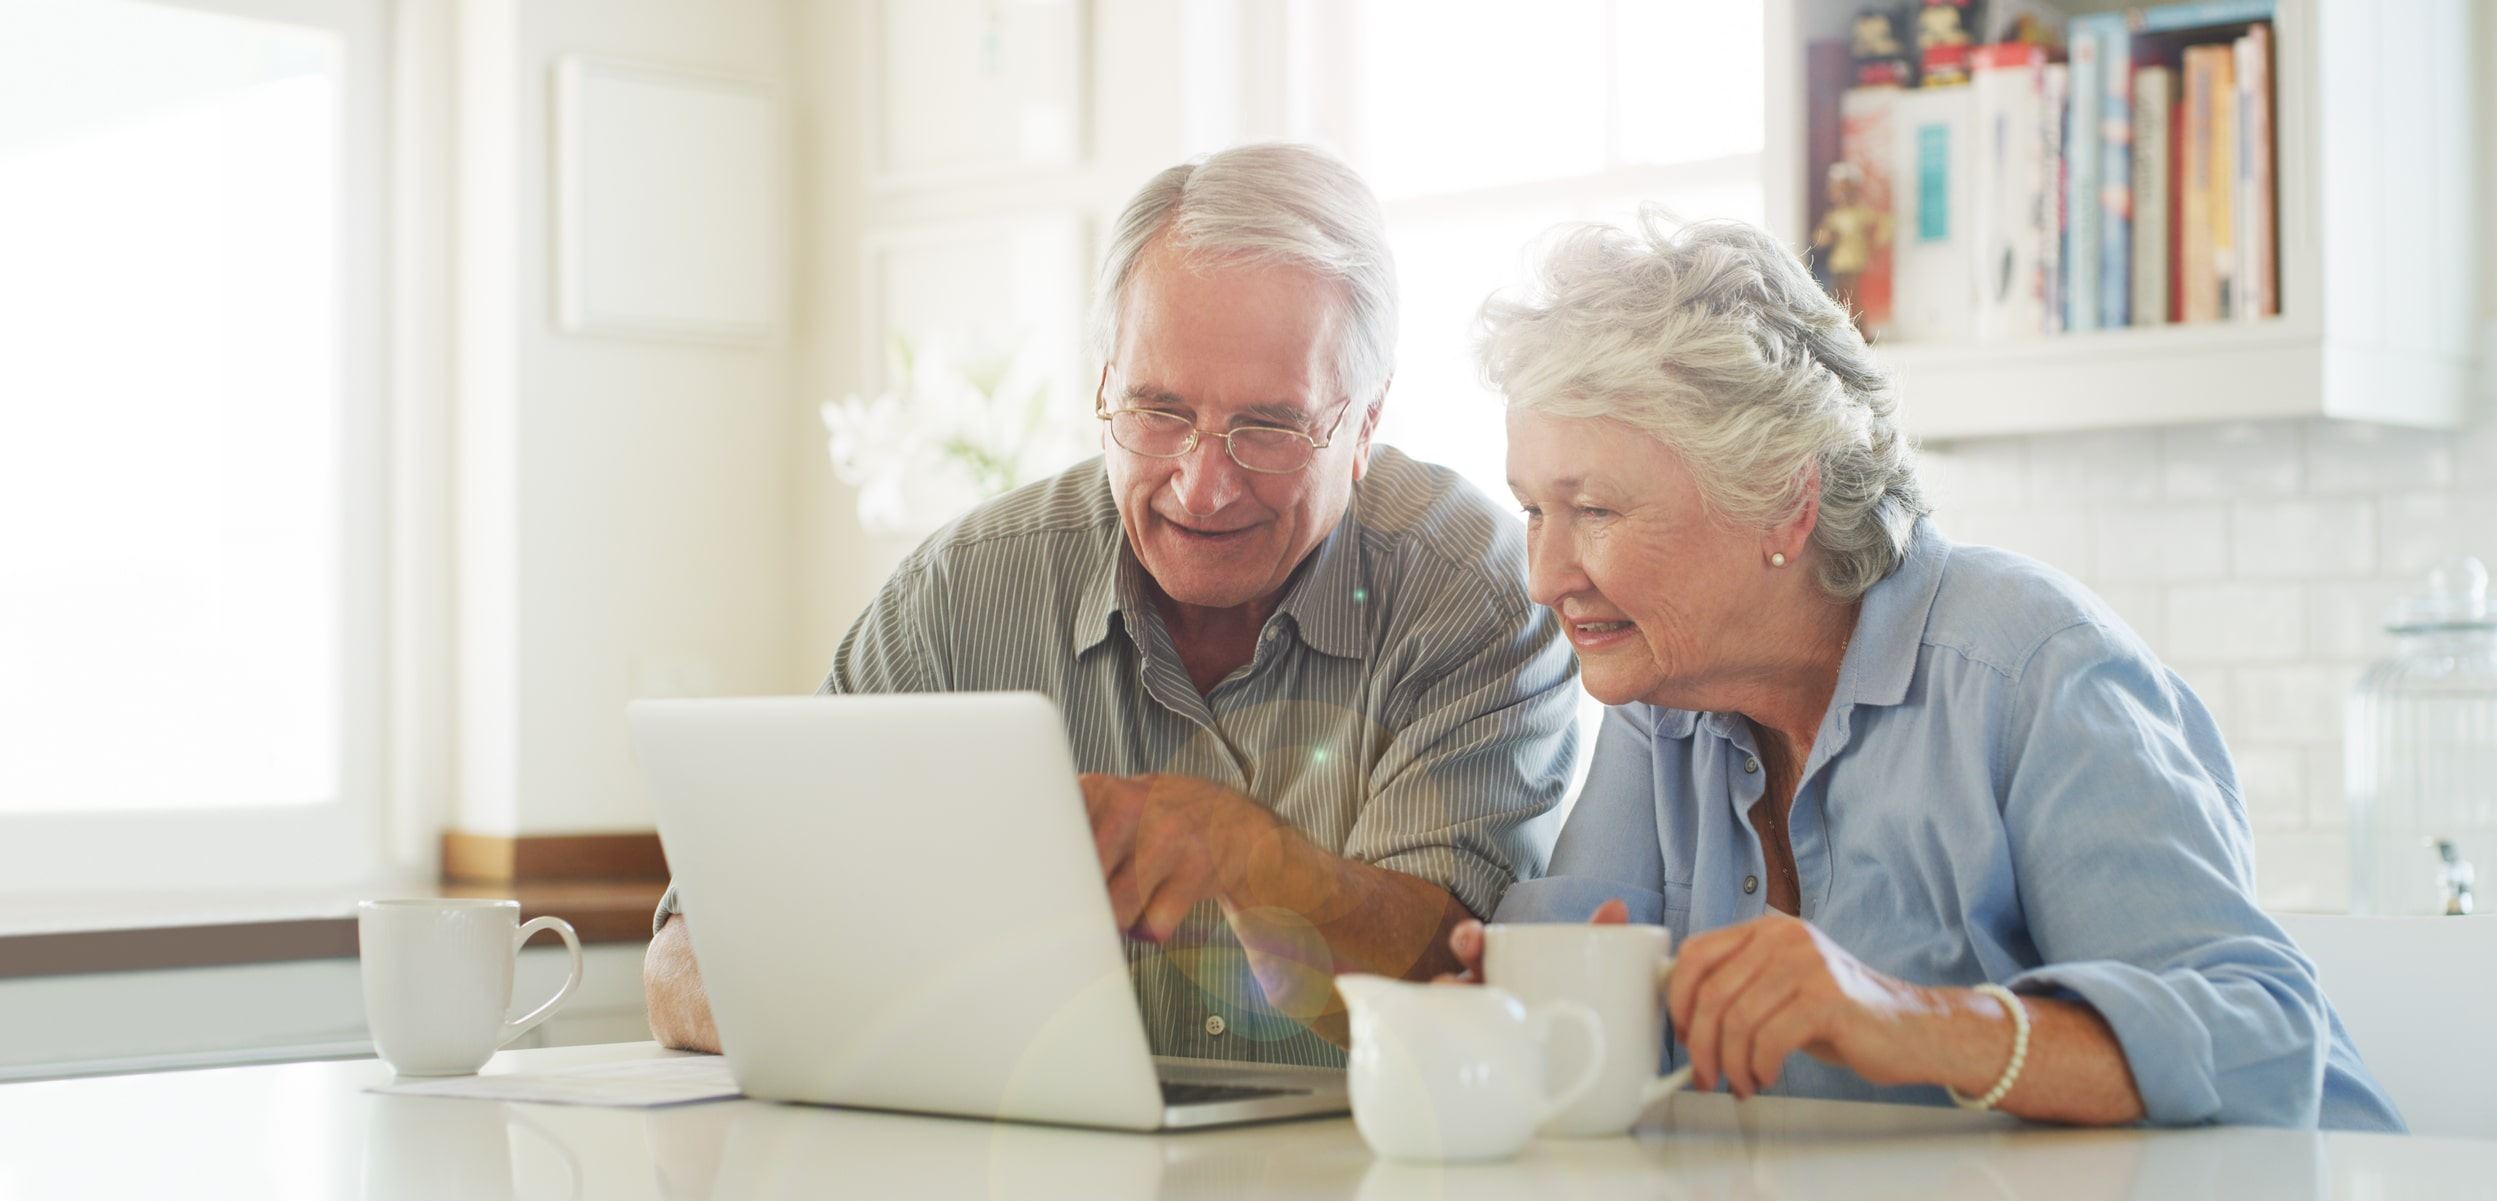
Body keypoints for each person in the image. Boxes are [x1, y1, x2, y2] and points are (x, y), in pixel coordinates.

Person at [1453, 211, 2403, 1130]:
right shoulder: (1665, 701)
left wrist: (1908, 1019)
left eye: (1598, 513)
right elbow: (1567, 987)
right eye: (1534, 511)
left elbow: (2268, 1035)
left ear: (1786, 502)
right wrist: (1496, 1002)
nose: (1544, 578)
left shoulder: (2034, 667)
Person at [645, 143, 1580, 1065]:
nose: (1201, 486)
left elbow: (1447, 976)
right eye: (1157, 412)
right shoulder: (965, 591)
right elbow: (686, 953)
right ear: (1102, 386)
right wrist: (908, 1023)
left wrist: (1255, 863)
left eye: (1267, 427)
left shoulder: (1478, 591)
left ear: (1365, 422)